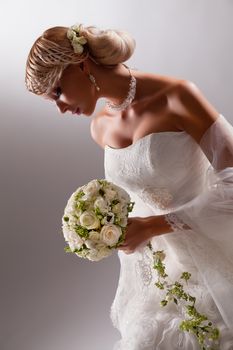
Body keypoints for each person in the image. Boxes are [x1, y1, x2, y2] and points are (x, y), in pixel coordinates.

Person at [25, 23, 233, 349]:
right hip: (161, 276)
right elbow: (137, 199)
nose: (60, 108)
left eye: (57, 91)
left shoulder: (178, 96)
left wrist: (155, 225)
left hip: (215, 252)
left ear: (81, 65)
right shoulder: (100, 128)